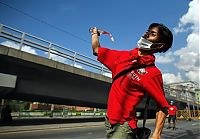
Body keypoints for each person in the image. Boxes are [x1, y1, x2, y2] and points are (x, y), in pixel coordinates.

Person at [90, 23, 173, 139]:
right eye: (148, 31)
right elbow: (97, 50)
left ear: (159, 45)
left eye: (152, 34)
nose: (146, 34)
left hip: (124, 126)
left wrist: (156, 134)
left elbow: (162, 106)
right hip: (109, 120)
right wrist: (95, 34)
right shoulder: (123, 56)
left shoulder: (153, 73)